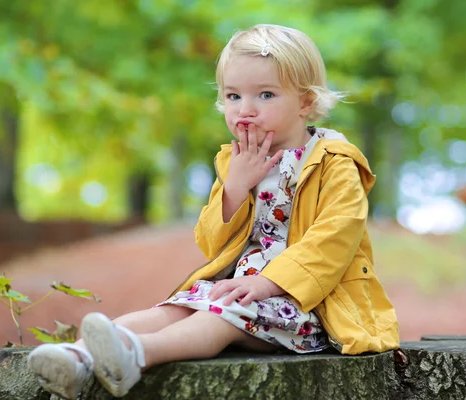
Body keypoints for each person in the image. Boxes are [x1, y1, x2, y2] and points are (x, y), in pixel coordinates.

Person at [28, 23, 400, 399]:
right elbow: (211, 243)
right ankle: (79, 358)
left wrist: (269, 282)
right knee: (173, 310)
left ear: (305, 102)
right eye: (233, 96)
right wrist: (235, 188)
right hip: (237, 288)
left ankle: (136, 356)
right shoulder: (236, 162)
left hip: (305, 304)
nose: (246, 110)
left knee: (217, 321)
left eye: (266, 95)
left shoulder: (334, 163)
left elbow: (334, 239)